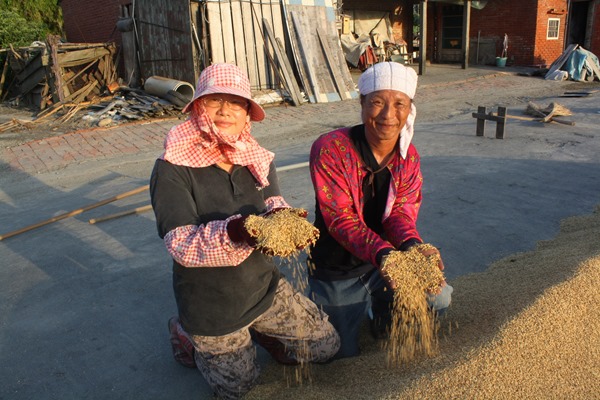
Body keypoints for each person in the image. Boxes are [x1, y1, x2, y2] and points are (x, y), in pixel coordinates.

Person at [149, 63, 340, 399]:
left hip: (263, 287)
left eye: (235, 102)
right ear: (197, 107)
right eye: (213, 101)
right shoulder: (172, 166)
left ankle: (265, 332)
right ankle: (186, 335)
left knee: (327, 346)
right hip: (212, 306)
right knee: (239, 388)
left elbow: (273, 201)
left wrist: (285, 219)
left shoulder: (255, 156)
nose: (225, 111)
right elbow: (181, 244)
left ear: (246, 112)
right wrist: (243, 231)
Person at [307, 62, 453, 359]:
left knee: (438, 297)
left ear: (409, 108)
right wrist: (386, 255)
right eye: (377, 102)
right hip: (337, 268)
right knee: (336, 354)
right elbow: (340, 219)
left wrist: (412, 247)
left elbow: (401, 213)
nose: (388, 115)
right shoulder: (331, 148)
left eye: (399, 103)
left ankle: (384, 312)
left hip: (384, 263)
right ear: (362, 104)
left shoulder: (407, 156)